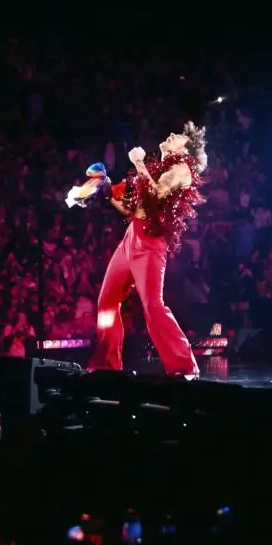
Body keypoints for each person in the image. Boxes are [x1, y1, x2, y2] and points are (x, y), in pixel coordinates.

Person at [88, 122, 208, 378]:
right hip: (131, 237)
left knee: (153, 306)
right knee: (106, 302)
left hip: (150, 244)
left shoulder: (183, 169)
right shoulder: (156, 169)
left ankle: (184, 367)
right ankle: (106, 366)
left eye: (181, 137)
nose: (173, 134)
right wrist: (107, 192)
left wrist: (139, 162)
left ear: (188, 150)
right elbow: (133, 211)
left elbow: (159, 192)